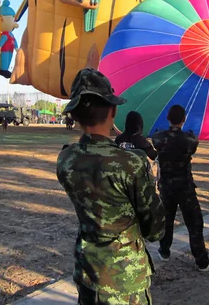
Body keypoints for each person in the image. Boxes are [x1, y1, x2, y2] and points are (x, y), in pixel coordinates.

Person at [57, 68, 165, 304]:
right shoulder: (131, 162)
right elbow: (155, 230)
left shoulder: (66, 160)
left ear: (74, 116)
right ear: (113, 110)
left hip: (87, 273)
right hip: (125, 281)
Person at [152, 105, 209, 272]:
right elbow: (193, 145)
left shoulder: (158, 138)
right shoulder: (190, 139)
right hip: (185, 187)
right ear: (183, 119)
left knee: (167, 220)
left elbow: (156, 143)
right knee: (194, 223)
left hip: (166, 187)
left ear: (168, 118)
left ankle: (164, 251)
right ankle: (202, 261)